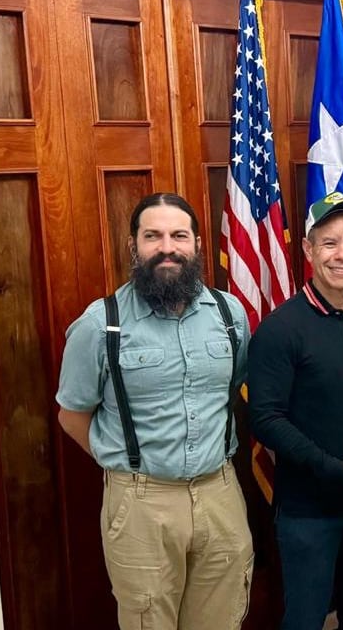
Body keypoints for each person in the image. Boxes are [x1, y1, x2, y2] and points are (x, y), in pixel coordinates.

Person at [56, 192, 253, 630]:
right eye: (153, 236)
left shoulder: (229, 314)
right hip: (141, 504)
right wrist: (127, 468)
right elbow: (72, 416)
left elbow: (235, 386)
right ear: (134, 246)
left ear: (197, 245)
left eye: (179, 235)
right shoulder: (99, 324)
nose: (167, 247)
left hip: (220, 494)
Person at [247, 192, 343, 630]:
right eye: (330, 243)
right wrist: (340, 471)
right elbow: (267, 420)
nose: (342, 255)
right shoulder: (280, 329)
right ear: (308, 249)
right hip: (308, 512)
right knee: (305, 619)